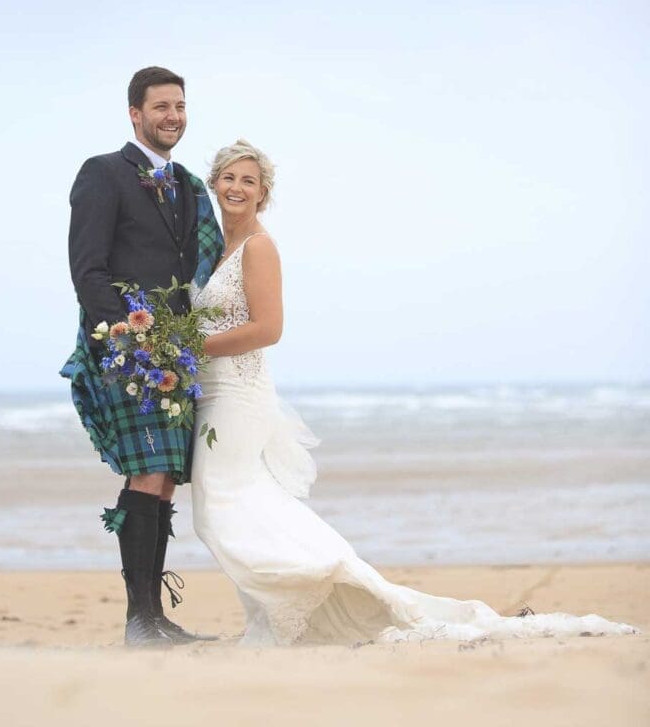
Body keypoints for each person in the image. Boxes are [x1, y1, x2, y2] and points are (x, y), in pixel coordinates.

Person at [189, 139, 636, 646]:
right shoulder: (213, 251)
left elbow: (269, 329)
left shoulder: (260, 247)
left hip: (239, 396)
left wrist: (192, 343)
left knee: (221, 504)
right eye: (229, 177)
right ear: (214, 183)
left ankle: (319, 575)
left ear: (263, 194)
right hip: (211, 393)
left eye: (249, 181)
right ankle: (287, 606)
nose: (237, 188)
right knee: (235, 502)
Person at [61, 67, 223, 646]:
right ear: (135, 113)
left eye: (180, 105)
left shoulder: (188, 184)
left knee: (165, 478)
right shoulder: (104, 173)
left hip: (177, 349)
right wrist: (129, 337)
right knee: (146, 470)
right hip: (128, 350)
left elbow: (197, 267)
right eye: (161, 107)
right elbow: (88, 271)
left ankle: (153, 618)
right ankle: (139, 620)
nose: (173, 116)